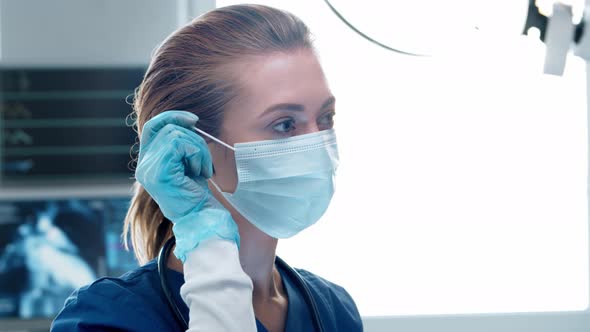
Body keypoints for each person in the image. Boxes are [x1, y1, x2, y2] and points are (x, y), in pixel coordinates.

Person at [51, 4, 362, 331]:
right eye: (284, 124)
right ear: (192, 146)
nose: (317, 143)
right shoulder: (106, 318)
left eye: (325, 118)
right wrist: (208, 241)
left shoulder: (333, 310)